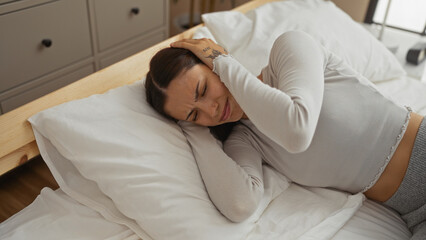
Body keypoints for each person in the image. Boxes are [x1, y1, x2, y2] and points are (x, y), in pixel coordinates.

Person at [145, 31, 425, 239]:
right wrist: (192, 129)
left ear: (211, 63)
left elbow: (297, 129)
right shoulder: (244, 140)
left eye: (203, 90)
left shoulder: (288, 50)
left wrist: (224, 62)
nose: (212, 109)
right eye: (195, 114)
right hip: (412, 214)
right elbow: (240, 204)